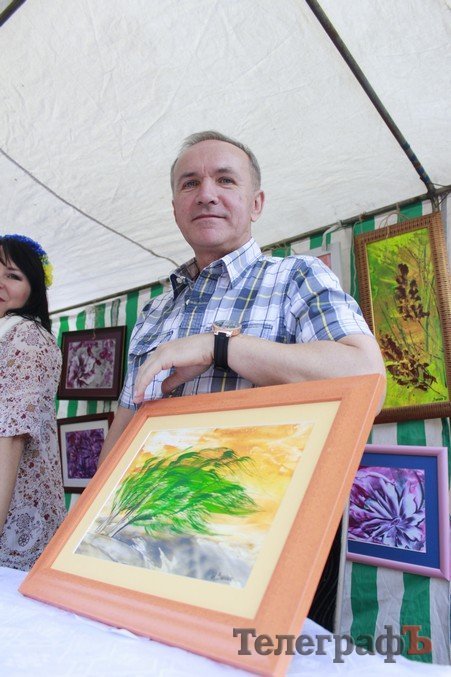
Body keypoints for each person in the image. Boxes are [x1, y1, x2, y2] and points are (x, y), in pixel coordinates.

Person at [99, 130, 385, 462]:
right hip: (152, 495)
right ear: (175, 210)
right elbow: (124, 427)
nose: (206, 195)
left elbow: (368, 378)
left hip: (260, 493)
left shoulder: (297, 276)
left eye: (225, 180)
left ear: (256, 204)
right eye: (190, 183)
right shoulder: (154, 312)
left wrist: (219, 346)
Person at [0, 234, 66, 571]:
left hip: (12, 515)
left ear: (34, 289)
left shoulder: (26, 337)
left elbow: (10, 437)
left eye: (12, 275)